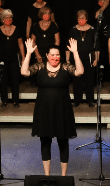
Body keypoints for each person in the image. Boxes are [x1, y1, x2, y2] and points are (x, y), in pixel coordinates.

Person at [21, 38, 84, 176]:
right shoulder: (40, 67)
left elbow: (79, 72)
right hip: (44, 110)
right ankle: (47, 175)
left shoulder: (66, 67)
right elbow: (24, 72)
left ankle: (63, 177)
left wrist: (75, 52)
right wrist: (28, 53)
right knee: (45, 142)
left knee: (63, 142)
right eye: (53, 55)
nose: (55, 57)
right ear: (47, 56)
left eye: (57, 55)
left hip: (62, 110)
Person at [0, 9, 25, 107]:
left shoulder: (17, 29)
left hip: (14, 58)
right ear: (2, 19)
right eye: (6, 18)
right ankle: (4, 100)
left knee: (15, 79)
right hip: (1, 59)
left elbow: (21, 44)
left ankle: (15, 101)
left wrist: (23, 58)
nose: (8, 19)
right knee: (3, 80)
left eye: (10, 17)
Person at [65, 10, 99, 108]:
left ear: (87, 19)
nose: (81, 20)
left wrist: (96, 59)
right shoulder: (73, 30)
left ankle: (90, 100)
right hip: (76, 59)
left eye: (83, 18)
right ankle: (77, 100)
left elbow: (97, 47)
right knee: (77, 80)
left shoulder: (92, 30)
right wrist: (67, 60)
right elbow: (67, 46)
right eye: (79, 18)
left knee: (89, 80)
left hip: (89, 59)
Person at [92, 0, 110, 81]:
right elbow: (96, 16)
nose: (101, 1)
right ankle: (98, 80)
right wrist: (103, 7)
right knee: (99, 59)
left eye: (104, 0)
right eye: (100, 0)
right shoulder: (97, 8)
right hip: (99, 38)